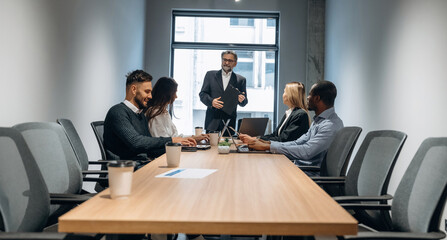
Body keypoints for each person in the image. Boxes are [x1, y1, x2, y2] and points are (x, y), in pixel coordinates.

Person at [247, 80, 343, 175]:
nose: (307, 98)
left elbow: (307, 151)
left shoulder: (330, 125)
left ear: (317, 98)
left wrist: (268, 146)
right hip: (300, 167)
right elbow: (297, 142)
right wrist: (268, 143)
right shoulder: (318, 121)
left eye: (310, 95)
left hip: (310, 173)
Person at [103, 70, 195, 168]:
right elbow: (136, 142)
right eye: (147, 92)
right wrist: (172, 140)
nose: (150, 96)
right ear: (134, 90)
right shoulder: (117, 112)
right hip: (124, 171)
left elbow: (150, 148)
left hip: (141, 165)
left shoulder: (140, 115)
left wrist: (178, 146)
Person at [239, 82, 310, 143]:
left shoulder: (300, 114)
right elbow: (275, 135)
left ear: (291, 95)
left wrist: (255, 140)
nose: (283, 95)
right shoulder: (289, 113)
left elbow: (284, 139)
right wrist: (255, 138)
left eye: (285, 92)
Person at [146, 76, 209, 142]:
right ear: (167, 93)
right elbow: (163, 142)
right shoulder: (155, 113)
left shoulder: (163, 112)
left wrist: (194, 137)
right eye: (174, 93)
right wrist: (183, 142)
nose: (176, 96)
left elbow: (175, 137)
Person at [199, 50, 248, 135]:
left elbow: (244, 102)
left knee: (228, 147)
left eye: (230, 61)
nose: (226, 62)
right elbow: (202, 94)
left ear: (235, 63)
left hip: (229, 122)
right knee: (211, 146)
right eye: (224, 59)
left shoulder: (241, 80)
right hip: (212, 120)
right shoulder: (210, 75)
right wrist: (212, 102)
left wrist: (241, 100)